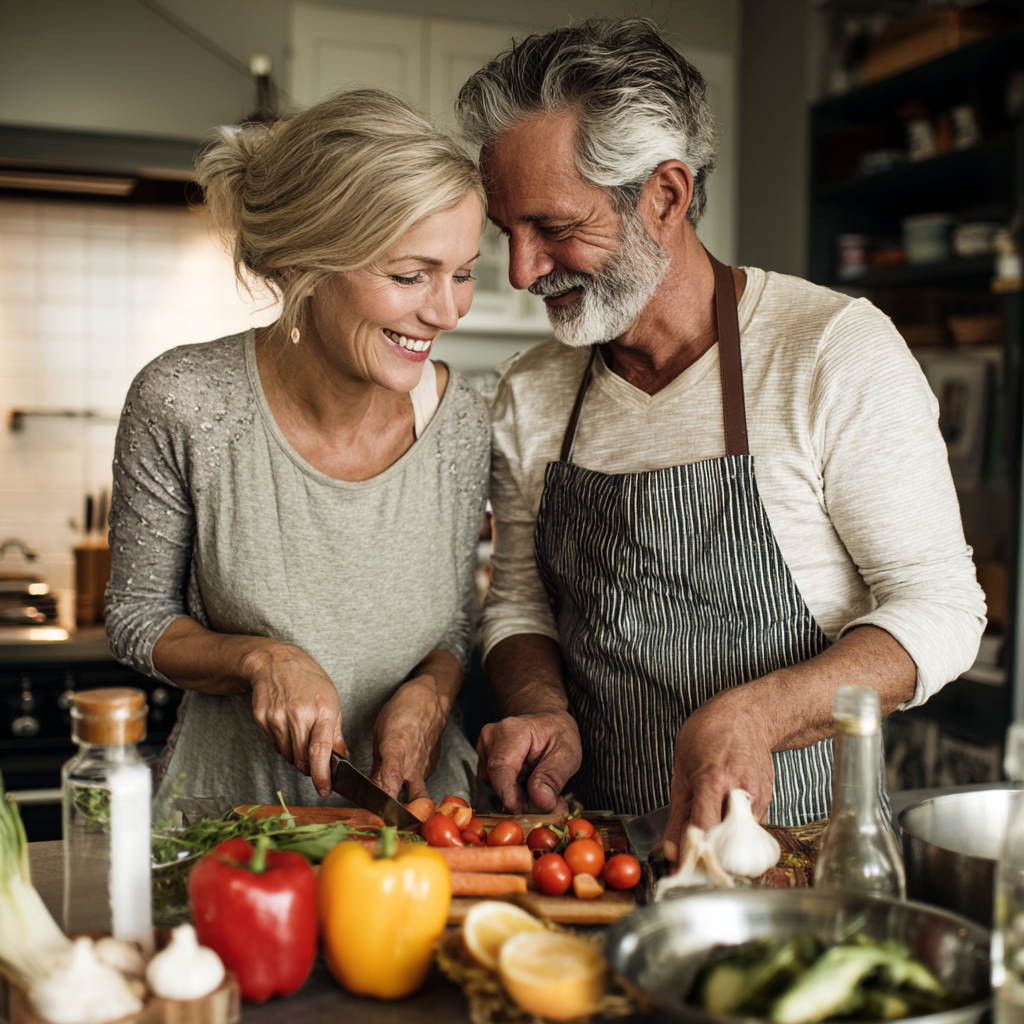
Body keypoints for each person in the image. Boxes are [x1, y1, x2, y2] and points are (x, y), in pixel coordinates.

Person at [455, 20, 985, 858]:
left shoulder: (829, 350)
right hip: (593, 854)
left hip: (803, 853)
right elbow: (521, 602)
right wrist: (542, 705)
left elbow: (943, 609)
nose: (522, 271)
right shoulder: (534, 387)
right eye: (505, 230)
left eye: (553, 226)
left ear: (665, 196)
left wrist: (760, 712)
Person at [106, 90, 490, 810]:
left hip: (416, 826)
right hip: (226, 824)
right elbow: (136, 620)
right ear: (308, 265)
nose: (447, 311)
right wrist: (260, 659)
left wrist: (432, 692)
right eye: (411, 275)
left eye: (462, 273)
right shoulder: (185, 401)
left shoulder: (460, 419)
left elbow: (453, 623)